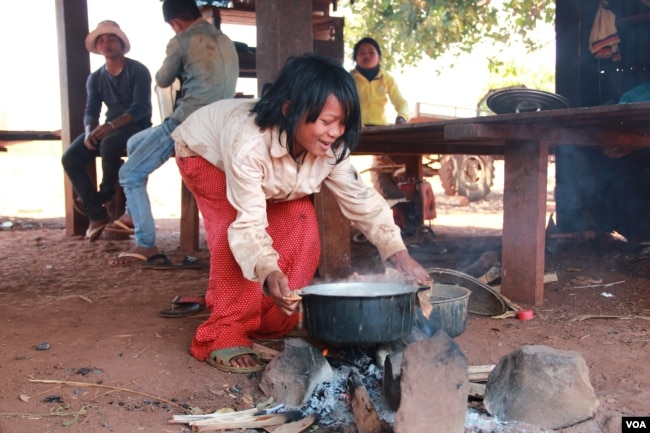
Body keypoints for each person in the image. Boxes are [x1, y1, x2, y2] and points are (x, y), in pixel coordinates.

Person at [170, 54, 432, 373]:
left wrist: (398, 255)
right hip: (205, 156)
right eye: (326, 121)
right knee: (232, 237)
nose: (335, 131)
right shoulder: (249, 144)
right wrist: (268, 269)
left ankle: (276, 318)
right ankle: (224, 334)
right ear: (289, 110)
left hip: (273, 177)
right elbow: (248, 223)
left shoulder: (330, 148)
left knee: (302, 223)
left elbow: (362, 200)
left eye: (342, 122)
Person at [108, 0, 239, 265]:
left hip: (187, 123)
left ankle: (145, 244)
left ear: (175, 23)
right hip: (220, 122)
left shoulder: (181, 40)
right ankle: (132, 214)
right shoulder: (225, 40)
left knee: (129, 173)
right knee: (135, 141)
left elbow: (163, 79)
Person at [61, 20, 152, 242]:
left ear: (121, 43)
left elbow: (140, 108)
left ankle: (105, 194)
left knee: (109, 143)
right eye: (101, 40)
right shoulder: (96, 77)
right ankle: (97, 213)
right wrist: (90, 130)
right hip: (108, 128)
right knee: (70, 157)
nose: (106, 43)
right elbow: (91, 110)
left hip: (136, 126)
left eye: (112, 38)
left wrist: (110, 127)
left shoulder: (138, 69)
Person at [350, 37, 409, 126]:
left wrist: (402, 117)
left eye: (371, 52)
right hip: (355, 128)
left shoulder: (387, 79)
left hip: (380, 128)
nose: (367, 56)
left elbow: (400, 102)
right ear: (355, 58)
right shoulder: (348, 79)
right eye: (362, 53)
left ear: (379, 57)